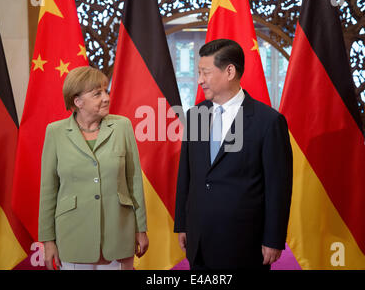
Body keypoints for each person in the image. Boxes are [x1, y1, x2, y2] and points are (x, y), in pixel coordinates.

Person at [174, 39, 293, 270]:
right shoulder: (195, 116)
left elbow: (278, 186)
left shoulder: (268, 122)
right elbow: (186, 175)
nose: (199, 80)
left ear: (229, 71)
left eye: (205, 73)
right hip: (198, 239)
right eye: (198, 73)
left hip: (244, 243)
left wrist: (273, 238)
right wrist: (182, 223)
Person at [38, 66, 148, 270]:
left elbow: (133, 180)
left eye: (106, 91)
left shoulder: (122, 126)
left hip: (119, 233)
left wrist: (141, 228)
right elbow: (48, 189)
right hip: (73, 236)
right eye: (97, 94)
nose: (106, 98)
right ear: (77, 101)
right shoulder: (55, 132)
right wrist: (48, 240)